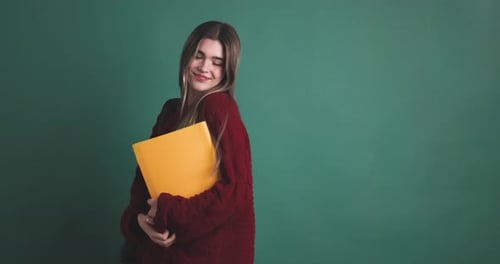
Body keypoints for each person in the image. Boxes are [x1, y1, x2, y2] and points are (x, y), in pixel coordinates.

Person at [120, 21, 255, 264]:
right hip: (160, 252)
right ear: (187, 57)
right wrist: (140, 220)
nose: (205, 67)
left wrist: (168, 212)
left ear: (227, 70)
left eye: (217, 62)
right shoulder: (171, 111)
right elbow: (144, 180)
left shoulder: (220, 108)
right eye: (199, 56)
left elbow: (236, 191)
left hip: (203, 254)